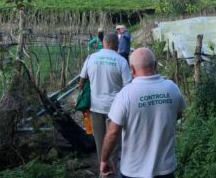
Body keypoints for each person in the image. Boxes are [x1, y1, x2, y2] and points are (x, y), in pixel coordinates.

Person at [100, 48, 186, 178]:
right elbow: (178, 115)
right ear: (156, 65)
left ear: (132, 69)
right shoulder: (172, 88)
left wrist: (104, 160)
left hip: (133, 171)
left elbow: (113, 132)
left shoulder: (126, 94)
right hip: (165, 169)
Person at [79, 33, 132, 168]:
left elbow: (82, 81)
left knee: (99, 141)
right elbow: (128, 87)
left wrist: (83, 97)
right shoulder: (121, 61)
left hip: (95, 107)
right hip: (115, 110)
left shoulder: (91, 58)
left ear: (104, 43)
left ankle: (102, 170)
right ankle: (112, 170)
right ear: (117, 44)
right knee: (113, 144)